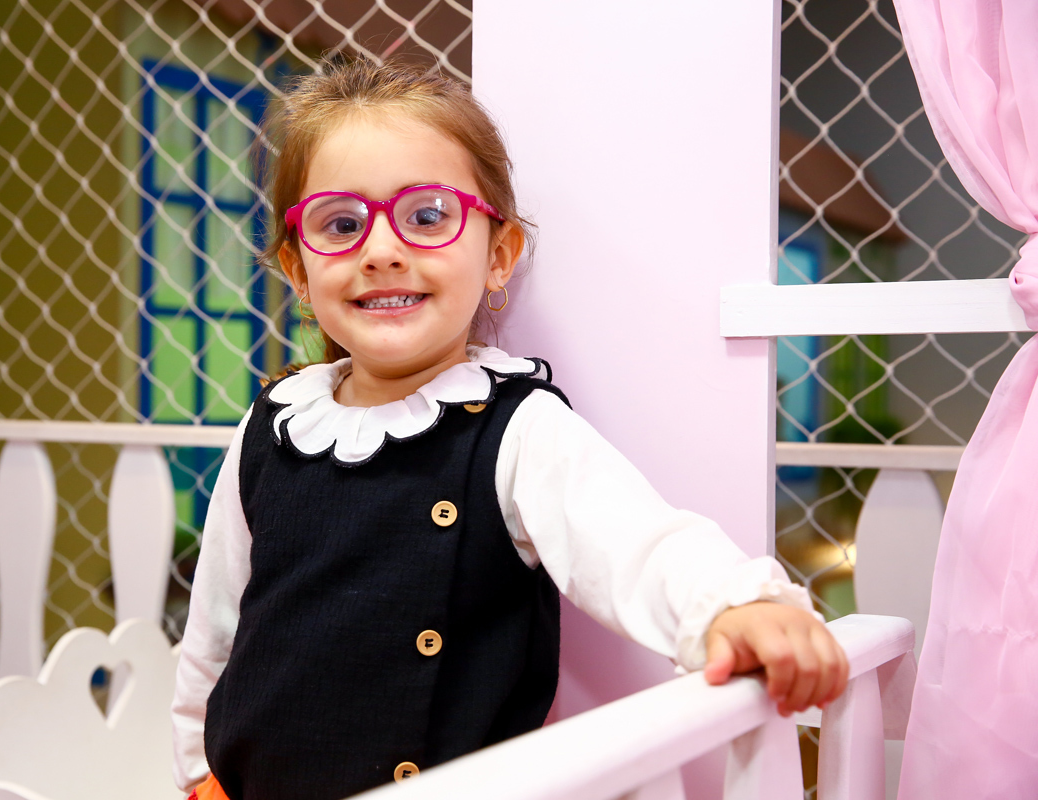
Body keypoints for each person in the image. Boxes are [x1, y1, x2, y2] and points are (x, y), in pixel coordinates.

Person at [171, 57, 848, 800]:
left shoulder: (518, 428)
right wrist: (198, 770)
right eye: (341, 224)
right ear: (300, 271)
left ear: (498, 255)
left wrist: (735, 603)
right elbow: (215, 629)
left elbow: (636, 543)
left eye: (427, 215)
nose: (382, 249)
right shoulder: (272, 426)